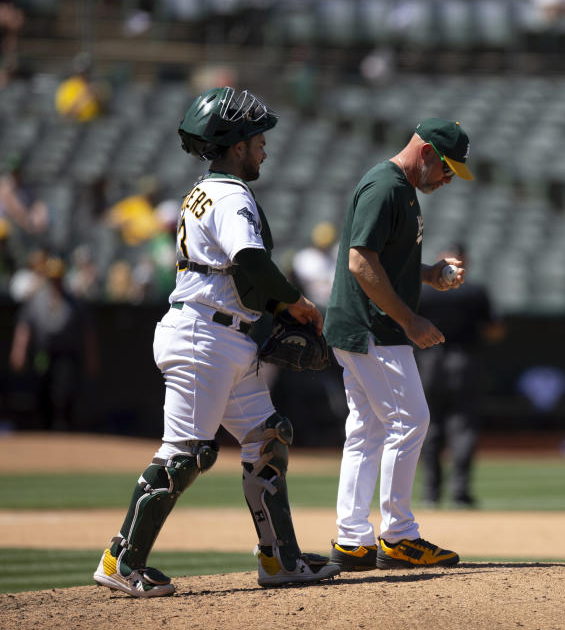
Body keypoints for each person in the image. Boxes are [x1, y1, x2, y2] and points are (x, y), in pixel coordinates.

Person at [93, 87, 340, 598]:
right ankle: (123, 559)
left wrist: (271, 310)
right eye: (257, 140)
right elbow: (250, 261)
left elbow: (238, 274)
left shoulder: (207, 190)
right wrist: (294, 302)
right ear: (235, 145)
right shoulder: (230, 195)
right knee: (184, 455)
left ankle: (280, 560)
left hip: (223, 335)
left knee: (268, 436)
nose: (264, 148)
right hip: (205, 335)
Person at [323, 118, 474, 571]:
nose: (448, 179)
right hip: (375, 328)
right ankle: (400, 536)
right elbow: (359, 261)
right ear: (426, 153)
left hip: (365, 328)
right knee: (411, 421)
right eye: (447, 168)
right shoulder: (386, 186)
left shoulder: (401, 188)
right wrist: (409, 319)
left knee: (367, 430)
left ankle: (352, 540)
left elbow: (385, 258)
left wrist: (427, 273)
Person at [417, 243, 504, 509]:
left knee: (429, 426)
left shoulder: (423, 292)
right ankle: (459, 493)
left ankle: (431, 493)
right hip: (465, 361)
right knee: (463, 427)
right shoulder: (475, 292)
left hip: (430, 361)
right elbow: (495, 330)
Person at [8, 256, 98, 430]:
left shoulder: (74, 302)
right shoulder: (37, 300)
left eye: (58, 278)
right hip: (44, 353)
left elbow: (88, 333)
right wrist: (18, 351)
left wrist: (92, 358)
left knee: (64, 390)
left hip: (66, 355)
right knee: (42, 385)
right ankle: (44, 427)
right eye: (52, 279)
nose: (55, 282)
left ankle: (63, 426)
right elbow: (24, 327)